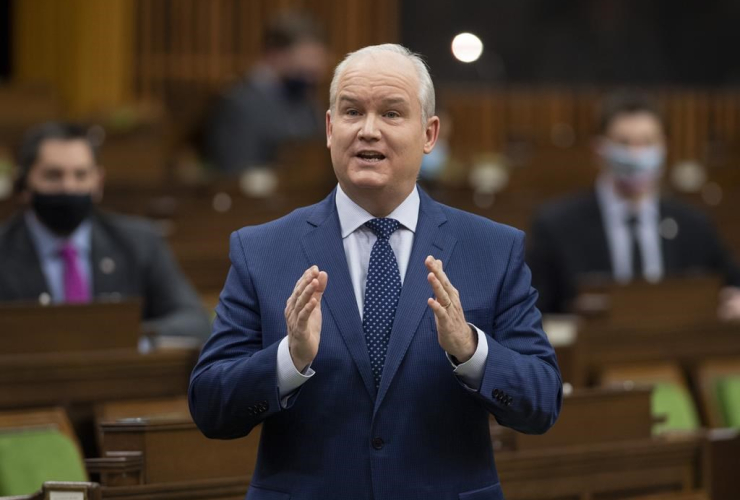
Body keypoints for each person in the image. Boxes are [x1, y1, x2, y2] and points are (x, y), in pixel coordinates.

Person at [189, 44, 561, 500]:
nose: (368, 131)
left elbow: (542, 403)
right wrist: (290, 358)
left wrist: (471, 351)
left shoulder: (492, 248)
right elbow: (209, 407)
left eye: (390, 114)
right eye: (351, 112)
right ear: (329, 128)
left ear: (429, 134)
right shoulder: (262, 249)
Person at [528, 92, 740, 318]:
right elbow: (536, 313)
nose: (636, 153)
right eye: (623, 143)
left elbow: (731, 284)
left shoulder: (693, 225)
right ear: (598, 150)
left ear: (664, 147)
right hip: (594, 350)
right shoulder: (558, 226)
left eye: (648, 142)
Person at [0, 122, 211, 341]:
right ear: (24, 185)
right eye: (54, 176)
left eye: (81, 175)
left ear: (98, 182)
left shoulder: (139, 242)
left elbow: (195, 322)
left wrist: (122, 337)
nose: (69, 187)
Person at [203, 13, 328, 174]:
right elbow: (236, 170)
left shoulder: (306, 99)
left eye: (319, 59)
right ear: (275, 55)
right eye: (307, 58)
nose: (315, 70)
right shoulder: (240, 103)